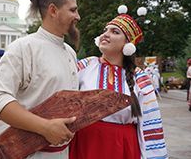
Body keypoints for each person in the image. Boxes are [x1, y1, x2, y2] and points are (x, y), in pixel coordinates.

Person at [0, 0, 80, 158]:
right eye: (73, 10)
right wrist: (45, 127)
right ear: (53, 10)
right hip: (32, 153)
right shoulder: (23, 48)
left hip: (65, 152)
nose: (78, 16)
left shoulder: (70, 52)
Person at [69, 14, 168, 158]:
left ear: (128, 44)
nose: (106, 34)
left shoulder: (139, 77)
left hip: (121, 147)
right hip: (85, 144)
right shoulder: (85, 66)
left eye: (115, 32)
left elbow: (150, 123)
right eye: (105, 30)